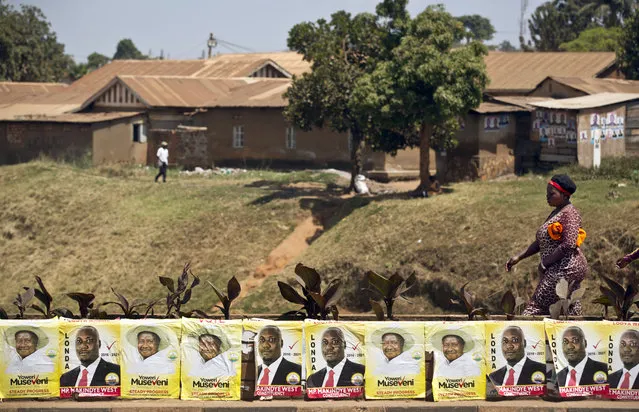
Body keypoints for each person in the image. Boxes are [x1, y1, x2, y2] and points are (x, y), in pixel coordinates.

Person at [505, 174, 588, 315]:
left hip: (565, 268)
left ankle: (524, 334)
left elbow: (569, 244)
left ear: (564, 195)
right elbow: (540, 242)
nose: (547, 196)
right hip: (559, 267)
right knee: (569, 311)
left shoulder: (570, 213)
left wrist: (545, 263)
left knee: (535, 308)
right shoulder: (556, 212)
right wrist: (519, 257)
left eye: (552, 193)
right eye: (547, 193)